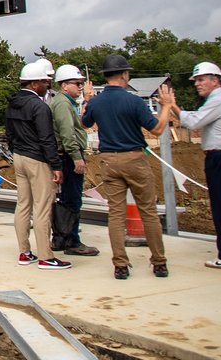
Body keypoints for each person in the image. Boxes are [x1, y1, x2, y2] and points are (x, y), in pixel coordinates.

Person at [81, 53, 174, 279]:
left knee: (116, 214)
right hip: (134, 158)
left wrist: (86, 99)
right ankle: (159, 262)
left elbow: (84, 123)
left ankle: (120, 265)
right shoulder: (134, 101)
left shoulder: (96, 102)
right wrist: (166, 106)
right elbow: (158, 129)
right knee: (148, 212)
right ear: (124, 74)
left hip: (109, 160)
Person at [162, 62, 221, 271]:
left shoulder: (217, 100)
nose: (197, 84)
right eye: (196, 80)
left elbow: (194, 122)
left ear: (215, 80)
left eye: (201, 79)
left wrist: (172, 105)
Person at [6, 62, 71, 269]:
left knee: (23, 204)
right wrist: (56, 165)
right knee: (42, 207)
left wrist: (15, 150)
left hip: (19, 157)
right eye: (44, 81)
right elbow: (47, 138)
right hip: (37, 160)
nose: (47, 85)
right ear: (34, 84)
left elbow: (9, 134)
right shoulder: (39, 107)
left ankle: (24, 252)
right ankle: (45, 256)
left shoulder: (12, 104)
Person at [50, 64, 99, 255]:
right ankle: (72, 241)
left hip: (65, 156)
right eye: (76, 83)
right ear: (64, 85)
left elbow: (76, 124)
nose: (80, 86)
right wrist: (77, 157)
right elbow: (67, 133)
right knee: (72, 200)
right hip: (68, 158)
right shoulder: (62, 104)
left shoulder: (65, 102)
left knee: (65, 200)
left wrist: (86, 101)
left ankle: (61, 238)